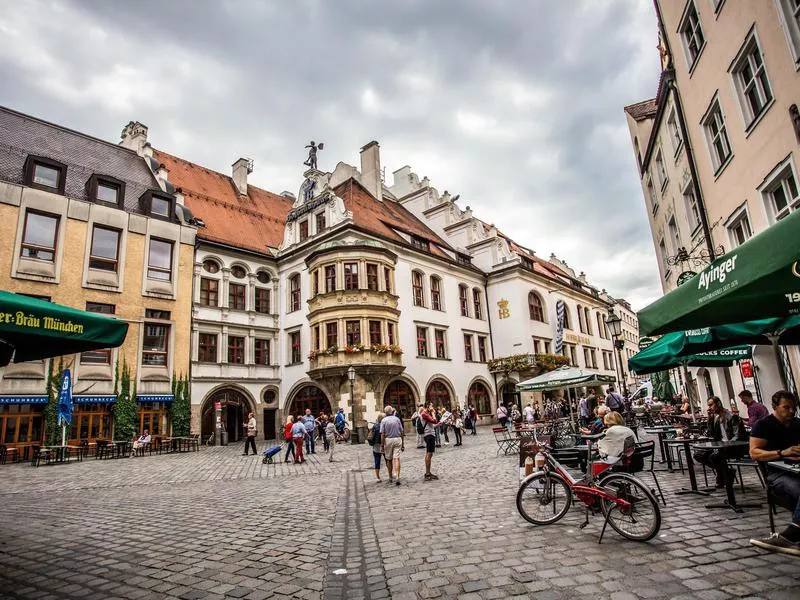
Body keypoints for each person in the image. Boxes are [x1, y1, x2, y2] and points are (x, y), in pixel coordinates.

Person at [748, 390, 800, 556]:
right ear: (775, 407)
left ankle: (791, 534)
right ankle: (790, 535)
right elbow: (754, 452)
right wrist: (782, 453)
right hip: (777, 475)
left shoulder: (798, 424)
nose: (791, 411)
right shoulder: (764, 425)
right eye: (786, 407)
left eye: (794, 408)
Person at [693, 396, 748, 488]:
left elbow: (737, 436)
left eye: (711, 405)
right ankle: (727, 472)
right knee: (698, 455)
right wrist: (710, 419)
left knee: (715, 457)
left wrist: (726, 444)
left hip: (733, 447)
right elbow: (711, 434)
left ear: (718, 404)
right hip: (720, 446)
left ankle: (722, 477)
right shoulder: (716, 418)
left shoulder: (731, 416)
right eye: (708, 405)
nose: (709, 408)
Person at [381, 405, 405, 485]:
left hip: (388, 440)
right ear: (392, 412)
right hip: (397, 439)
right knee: (397, 458)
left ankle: (390, 477)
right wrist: (403, 444)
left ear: (385, 412)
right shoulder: (397, 419)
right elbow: (402, 431)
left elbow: (382, 434)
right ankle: (397, 476)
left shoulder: (384, 420)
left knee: (389, 459)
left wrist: (382, 445)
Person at [420, 403, 441, 481]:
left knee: (429, 453)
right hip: (429, 435)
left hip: (430, 434)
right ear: (427, 406)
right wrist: (433, 413)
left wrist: (438, 425)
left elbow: (432, 425)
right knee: (429, 454)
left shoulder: (426, 414)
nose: (432, 407)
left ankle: (428, 472)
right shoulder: (424, 414)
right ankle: (427, 473)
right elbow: (434, 420)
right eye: (431, 406)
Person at [371, 412, 385, 482]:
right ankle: (391, 474)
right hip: (384, 445)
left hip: (376, 445)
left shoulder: (374, 426)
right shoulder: (384, 426)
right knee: (388, 459)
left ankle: (377, 477)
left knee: (377, 461)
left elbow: (372, 436)